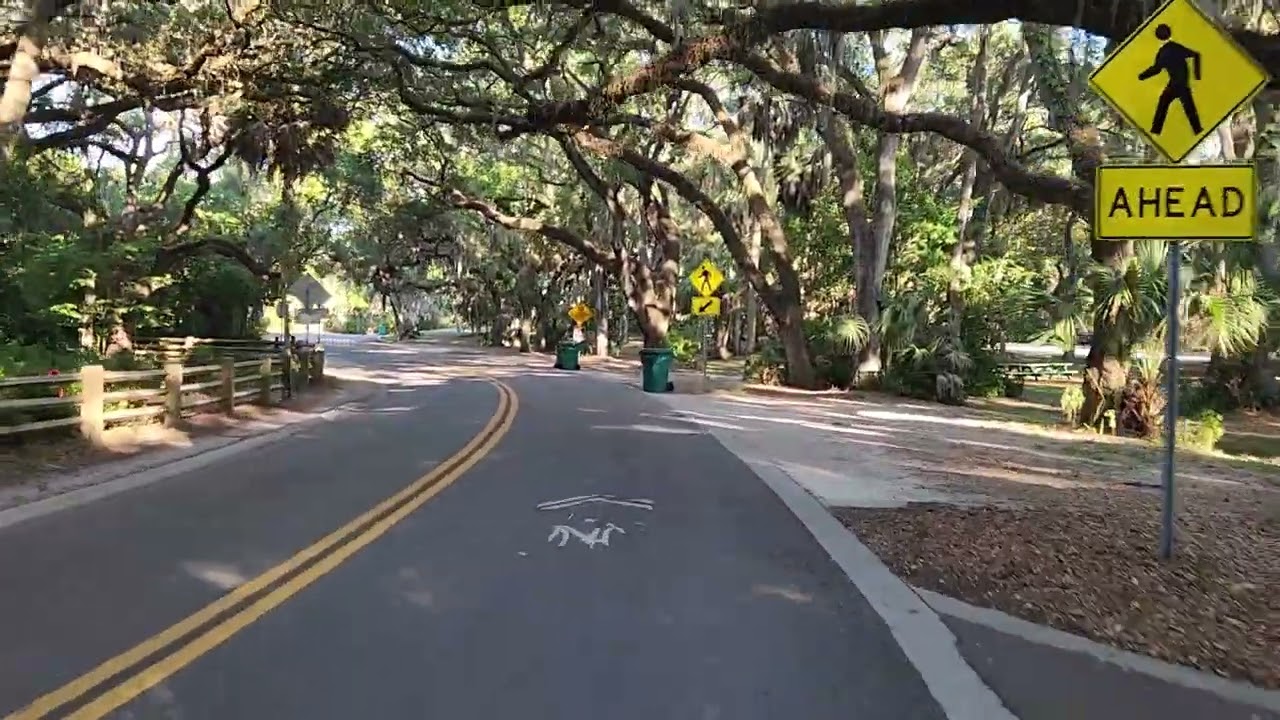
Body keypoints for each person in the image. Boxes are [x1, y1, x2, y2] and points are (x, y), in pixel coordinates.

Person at [1138, 23, 1202, 135]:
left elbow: (1156, 69)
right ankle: (1197, 130)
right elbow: (1196, 55)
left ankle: (1156, 130)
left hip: (1176, 85)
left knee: (1165, 104)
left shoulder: (1164, 51)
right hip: (1181, 83)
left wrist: (1142, 76)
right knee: (1187, 107)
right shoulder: (1175, 47)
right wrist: (1196, 76)